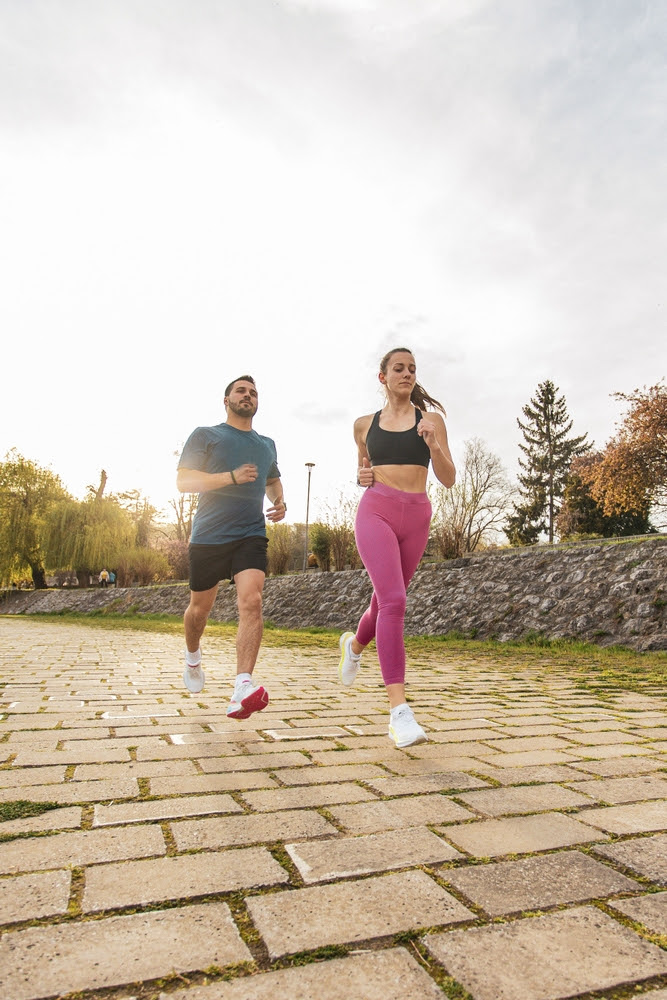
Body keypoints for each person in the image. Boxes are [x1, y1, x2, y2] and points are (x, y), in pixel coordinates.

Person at [338, 347, 456, 748]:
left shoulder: (432, 421)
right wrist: (363, 476)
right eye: (398, 369)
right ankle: (398, 713)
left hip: (417, 515)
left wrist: (434, 445)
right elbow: (363, 470)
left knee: (386, 600)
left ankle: (353, 646)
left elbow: (449, 478)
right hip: (378, 511)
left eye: (412, 369)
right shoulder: (362, 425)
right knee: (394, 601)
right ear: (382, 377)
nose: (406, 374)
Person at [176, 375, 286, 719]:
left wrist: (280, 501)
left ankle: (242, 685)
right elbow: (183, 481)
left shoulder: (267, 443)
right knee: (199, 610)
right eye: (241, 390)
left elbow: (271, 478)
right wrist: (231, 477)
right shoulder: (206, 435)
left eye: (253, 392)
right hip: (209, 535)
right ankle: (193, 658)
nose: (248, 396)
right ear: (227, 400)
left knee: (252, 601)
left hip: (250, 533)